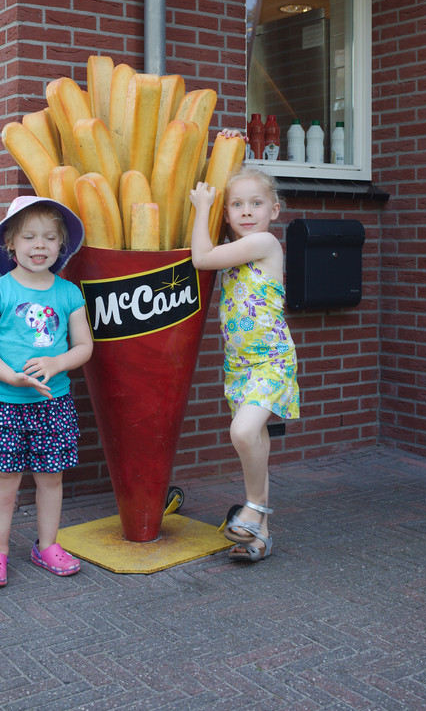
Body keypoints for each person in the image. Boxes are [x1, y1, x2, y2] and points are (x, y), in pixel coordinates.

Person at [0, 195, 93, 587]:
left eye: (49, 238)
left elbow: (84, 346)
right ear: (10, 243)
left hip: (52, 405)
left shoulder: (69, 294)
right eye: (29, 237)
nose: (39, 245)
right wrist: (9, 376)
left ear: (62, 246)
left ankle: (48, 545)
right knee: (4, 479)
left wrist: (57, 363)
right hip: (4, 403)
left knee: (50, 479)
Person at [190, 166, 299, 562]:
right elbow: (212, 250)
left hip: (270, 361)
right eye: (236, 204)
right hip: (240, 366)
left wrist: (202, 207)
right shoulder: (234, 249)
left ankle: (253, 509)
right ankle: (260, 537)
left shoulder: (265, 242)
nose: (247, 211)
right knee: (256, 443)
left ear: (274, 209)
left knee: (242, 432)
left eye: (256, 203)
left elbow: (201, 257)